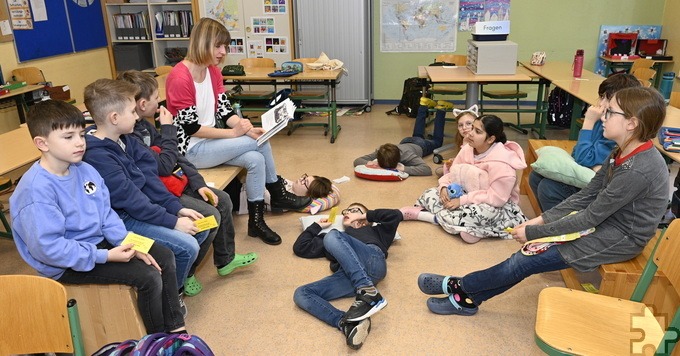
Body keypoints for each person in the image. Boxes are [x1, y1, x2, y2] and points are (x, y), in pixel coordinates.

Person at [417, 86, 668, 316]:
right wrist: (540, 220)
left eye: (610, 111)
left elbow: (591, 215)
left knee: (526, 259)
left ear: (632, 123)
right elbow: (588, 195)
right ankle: (466, 299)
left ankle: (460, 285)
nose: (603, 115)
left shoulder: (638, 169)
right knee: (527, 255)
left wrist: (536, 232)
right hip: (607, 224)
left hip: (622, 238)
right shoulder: (622, 150)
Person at [10, 100, 186, 333]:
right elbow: (49, 249)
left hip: (99, 243)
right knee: (148, 276)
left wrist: (126, 241)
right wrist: (105, 256)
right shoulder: (36, 190)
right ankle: (157, 338)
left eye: (81, 135)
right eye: (68, 137)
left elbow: (105, 214)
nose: (80, 143)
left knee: (163, 255)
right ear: (42, 143)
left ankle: (175, 328)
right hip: (66, 262)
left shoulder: (85, 169)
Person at [166, 17, 309, 246]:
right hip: (189, 151)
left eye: (225, 46)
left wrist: (247, 129)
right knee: (260, 143)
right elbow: (191, 128)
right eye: (218, 46)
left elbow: (225, 112)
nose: (223, 52)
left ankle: (256, 221)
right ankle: (277, 191)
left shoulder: (212, 72)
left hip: (210, 144)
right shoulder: (179, 77)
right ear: (202, 43)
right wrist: (235, 134)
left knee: (255, 157)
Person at [118, 70, 258, 297]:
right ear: (142, 104)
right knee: (209, 218)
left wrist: (198, 182)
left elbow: (178, 158)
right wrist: (168, 129)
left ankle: (225, 260)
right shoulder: (132, 137)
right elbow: (164, 164)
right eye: (156, 98)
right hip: (162, 192)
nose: (159, 101)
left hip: (175, 181)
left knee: (221, 200)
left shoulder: (145, 127)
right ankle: (190, 270)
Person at [82, 78, 209, 300]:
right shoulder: (98, 155)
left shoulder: (125, 139)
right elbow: (132, 201)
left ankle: (173, 285)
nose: (136, 116)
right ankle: (171, 297)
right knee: (188, 245)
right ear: (114, 118)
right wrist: (173, 221)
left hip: (142, 210)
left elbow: (149, 179)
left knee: (201, 227)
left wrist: (176, 208)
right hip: (124, 220)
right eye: (132, 111)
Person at [400, 115, 527, 243]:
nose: (470, 133)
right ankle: (468, 228)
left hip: (494, 205)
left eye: (477, 132)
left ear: (491, 139)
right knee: (429, 194)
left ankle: (429, 217)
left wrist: (461, 201)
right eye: (472, 128)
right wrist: (444, 187)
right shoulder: (468, 149)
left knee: (483, 214)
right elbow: (453, 173)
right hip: (464, 194)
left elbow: (497, 199)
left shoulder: (502, 164)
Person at [292, 203, 402, 350]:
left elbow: (396, 215)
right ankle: (346, 323)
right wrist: (316, 226)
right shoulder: (334, 239)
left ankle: (367, 291)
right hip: (349, 277)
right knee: (301, 293)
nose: (348, 212)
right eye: (346, 210)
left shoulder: (375, 230)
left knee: (333, 235)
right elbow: (300, 248)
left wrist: (365, 216)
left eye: (354, 210)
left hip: (373, 261)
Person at [529, 73, 641, 212]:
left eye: (606, 99)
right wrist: (592, 163)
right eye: (601, 97)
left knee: (549, 188)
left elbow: (583, 158)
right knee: (536, 176)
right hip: (588, 175)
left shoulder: (615, 130)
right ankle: (552, 221)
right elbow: (578, 154)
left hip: (600, 190)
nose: (600, 103)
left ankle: (561, 227)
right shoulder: (603, 121)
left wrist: (588, 121)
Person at [236, 172, 340, 215]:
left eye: (305, 182)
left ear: (308, 195)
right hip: (242, 186)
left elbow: (334, 196)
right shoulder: (292, 185)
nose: (301, 179)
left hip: (238, 198)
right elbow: (334, 189)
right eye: (304, 177)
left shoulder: (288, 202)